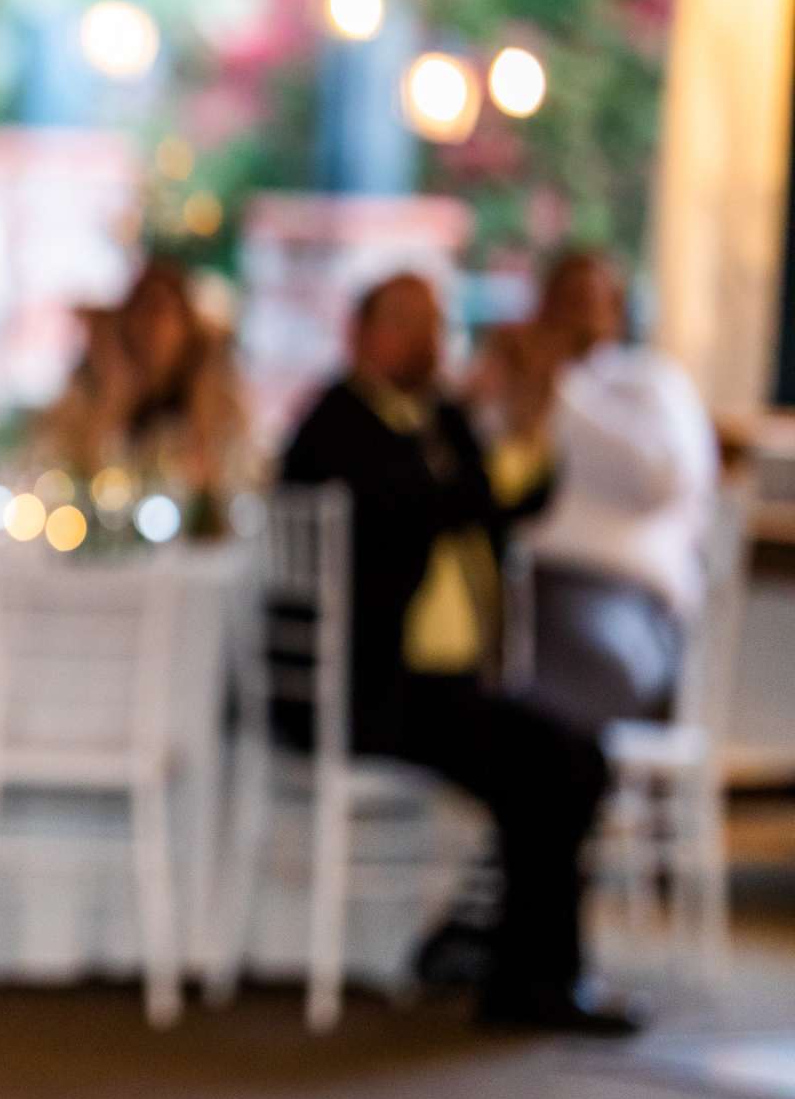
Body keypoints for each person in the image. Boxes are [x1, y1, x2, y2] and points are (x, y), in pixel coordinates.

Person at [278, 272, 634, 1034]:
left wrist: (530, 423)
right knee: (550, 762)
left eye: (435, 323)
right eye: (405, 322)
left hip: (440, 685)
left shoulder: (437, 418)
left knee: (571, 757)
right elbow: (428, 508)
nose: (426, 341)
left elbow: (507, 507)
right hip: (373, 691)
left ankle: (530, 973)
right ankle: (528, 980)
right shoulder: (337, 424)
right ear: (360, 334)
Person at [480, 250, 719, 734]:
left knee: (535, 694)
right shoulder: (510, 388)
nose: (576, 316)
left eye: (589, 301)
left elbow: (661, 479)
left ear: (617, 310)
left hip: (620, 604)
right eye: (563, 301)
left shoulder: (649, 383)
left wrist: (559, 390)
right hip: (512, 596)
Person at [41, 258, 253, 533]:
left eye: (163, 312)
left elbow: (232, 477)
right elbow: (69, 473)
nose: (152, 328)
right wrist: (115, 395)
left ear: (185, 324)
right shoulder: (93, 389)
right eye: (142, 312)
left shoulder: (214, 395)